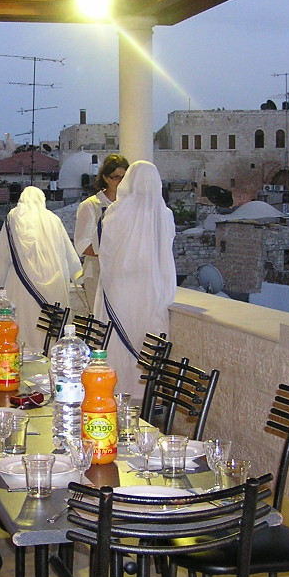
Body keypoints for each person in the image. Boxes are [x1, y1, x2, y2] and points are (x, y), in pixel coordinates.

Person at [94, 160, 176, 398]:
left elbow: (101, 247)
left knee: (119, 341)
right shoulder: (165, 214)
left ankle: (115, 392)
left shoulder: (116, 211)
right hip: (153, 289)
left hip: (120, 287)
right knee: (145, 339)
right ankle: (145, 396)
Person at [0, 186, 81, 352]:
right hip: (54, 285)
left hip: (21, 286)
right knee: (51, 332)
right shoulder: (53, 219)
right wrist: (78, 274)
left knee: (25, 329)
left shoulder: (13, 218)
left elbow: (3, 252)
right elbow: (68, 251)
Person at [73, 154, 129, 311]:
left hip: (125, 273)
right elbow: (82, 245)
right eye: (115, 177)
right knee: (102, 322)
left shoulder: (130, 206)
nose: (119, 182)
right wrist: (112, 252)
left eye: (124, 177)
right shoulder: (91, 205)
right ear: (105, 177)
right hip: (98, 274)